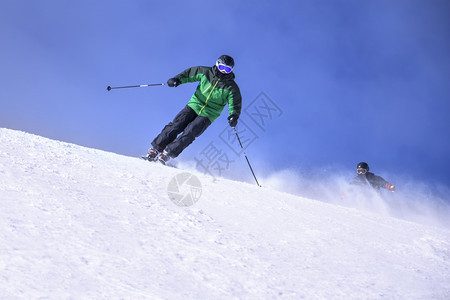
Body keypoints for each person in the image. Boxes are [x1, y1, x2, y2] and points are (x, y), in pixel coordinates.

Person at [145, 55, 242, 164]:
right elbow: (189, 74)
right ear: (217, 64)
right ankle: (156, 148)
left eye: (227, 69)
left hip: (209, 114)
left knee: (191, 132)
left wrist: (234, 115)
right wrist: (177, 79)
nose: (224, 71)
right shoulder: (205, 72)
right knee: (177, 125)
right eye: (222, 67)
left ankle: (167, 153)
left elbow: (235, 103)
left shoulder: (232, 87)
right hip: (194, 104)